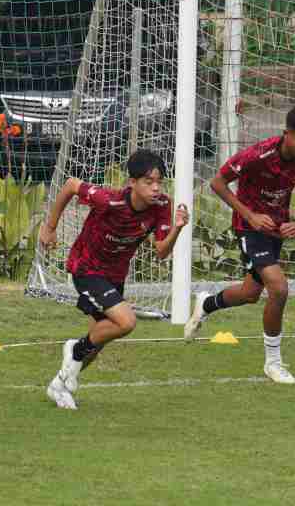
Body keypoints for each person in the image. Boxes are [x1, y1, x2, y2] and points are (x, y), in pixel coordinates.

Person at [184, 105, 295, 384]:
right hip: (249, 227)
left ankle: (206, 304)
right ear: (286, 134)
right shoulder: (258, 154)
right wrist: (250, 215)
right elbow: (218, 182)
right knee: (279, 288)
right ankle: (273, 363)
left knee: (250, 293)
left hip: (276, 229)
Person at [40, 149, 189, 409]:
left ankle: (59, 384)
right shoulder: (109, 200)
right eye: (148, 181)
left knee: (97, 343)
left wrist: (177, 228)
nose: (156, 188)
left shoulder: (162, 206)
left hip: (114, 276)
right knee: (126, 322)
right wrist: (50, 228)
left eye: (159, 182)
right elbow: (71, 185)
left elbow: (162, 251)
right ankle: (73, 349)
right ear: (132, 182)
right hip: (86, 268)